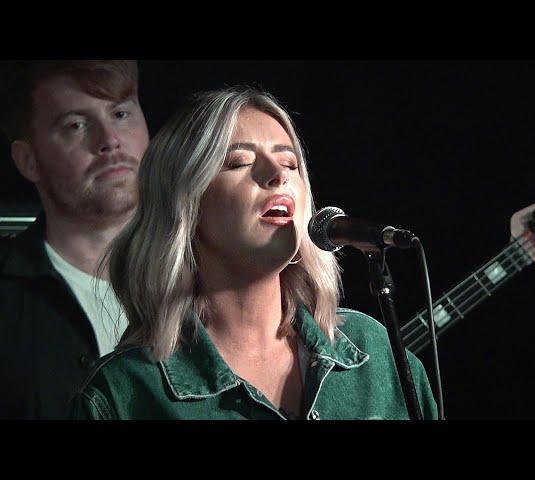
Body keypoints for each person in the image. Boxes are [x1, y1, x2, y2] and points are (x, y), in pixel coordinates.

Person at [70, 86, 437, 420]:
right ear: (186, 207)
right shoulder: (121, 396)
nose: (277, 173)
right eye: (239, 163)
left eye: (290, 164)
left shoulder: (376, 352)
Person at [0, 61, 150, 419]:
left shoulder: (214, 272)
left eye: (120, 113)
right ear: (28, 160)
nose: (110, 140)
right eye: (76, 125)